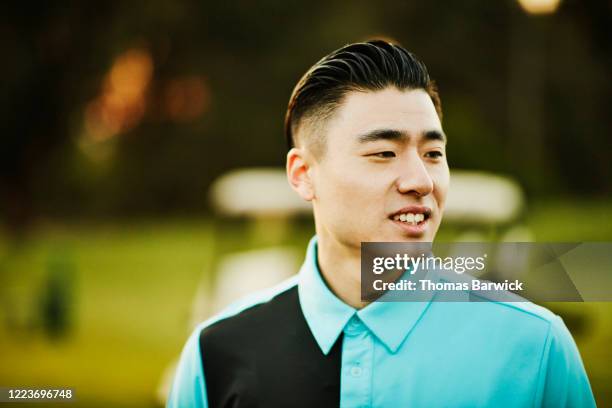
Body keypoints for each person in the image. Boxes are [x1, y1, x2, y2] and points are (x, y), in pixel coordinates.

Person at [167, 40, 596, 407]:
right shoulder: (214, 357)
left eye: (432, 154)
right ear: (303, 174)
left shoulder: (535, 348)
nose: (421, 181)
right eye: (384, 153)